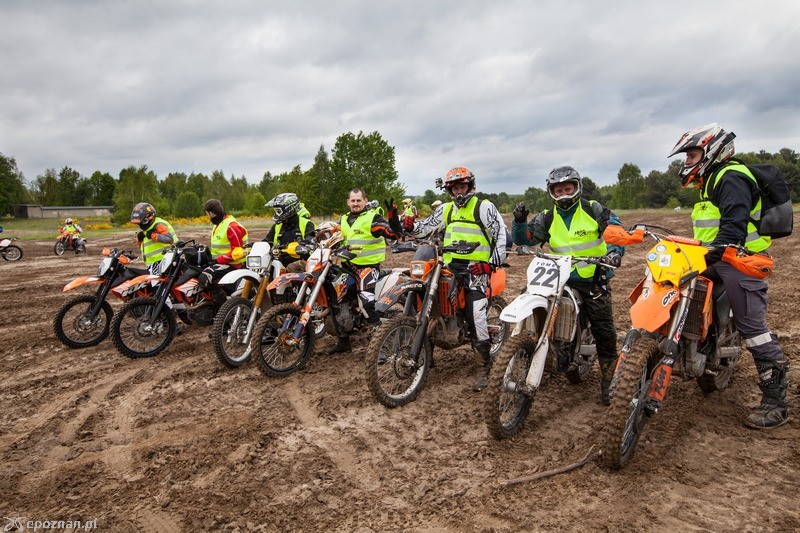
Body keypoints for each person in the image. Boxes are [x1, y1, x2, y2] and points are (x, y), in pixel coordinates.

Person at [669, 123, 789, 429]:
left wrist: (716, 249)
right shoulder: (709, 182)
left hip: (740, 260)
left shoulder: (730, 176)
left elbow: (734, 222)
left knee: (753, 327)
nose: (687, 162)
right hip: (716, 258)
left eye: (692, 155)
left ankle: (776, 402)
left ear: (712, 151)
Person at [512, 166, 624, 404]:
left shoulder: (593, 209)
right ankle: (541, 351)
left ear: (577, 187)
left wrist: (614, 252)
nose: (563, 193)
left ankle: (608, 379)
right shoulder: (547, 216)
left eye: (567, 188)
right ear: (551, 191)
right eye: (558, 189)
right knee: (533, 303)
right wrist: (520, 223)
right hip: (557, 277)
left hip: (591, 278)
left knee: (603, 328)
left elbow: (615, 231)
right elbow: (527, 239)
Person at [404, 167, 507, 391]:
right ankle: (425, 352)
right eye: (454, 187)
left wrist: (491, 263)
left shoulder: (483, 207)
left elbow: (500, 234)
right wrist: (409, 224)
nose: (459, 191)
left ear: (470, 186)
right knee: (427, 300)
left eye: (462, 186)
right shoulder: (446, 210)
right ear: (449, 190)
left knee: (476, 313)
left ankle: (483, 366)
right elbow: (424, 228)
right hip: (449, 266)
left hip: (477, 269)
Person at [325, 188, 403, 355]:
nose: (355, 203)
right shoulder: (344, 219)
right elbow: (338, 237)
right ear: (348, 202)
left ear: (365, 201)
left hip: (368, 267)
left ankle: (381, 347)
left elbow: (392, 233)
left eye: (358, 200)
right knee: (336, 298)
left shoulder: (372, 218)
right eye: (352, 201)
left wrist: (393, 218)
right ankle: (343, 341)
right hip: (347, 267)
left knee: (366, 301)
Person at [198, 199, 249, 303]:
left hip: (234, 264)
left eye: (208, 214)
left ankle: (224, 307)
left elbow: (237, 252)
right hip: (222, 262)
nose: (209, 217)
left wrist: (217, 260)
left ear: (211, 213)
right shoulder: (219, 224)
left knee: (205, 278)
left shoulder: (231, 226)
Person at [263, 193, 316, 273]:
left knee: (292, 267)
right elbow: (267, 240)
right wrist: (252, 246)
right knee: (263, 268)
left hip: (303, 263)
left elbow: (311, 238)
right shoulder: (277, 226)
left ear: (289, 209)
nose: (276, 214)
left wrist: (302, 245)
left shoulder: (307, 224)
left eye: (278, 211)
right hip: (279, 262)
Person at [131, 202, 178, 273]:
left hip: (163, 261)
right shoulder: (148, 227)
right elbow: (148, 245)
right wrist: (139, 241)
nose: (140, 225)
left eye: (141, 223)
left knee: (158, 283)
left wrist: (153, 235)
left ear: (148, 218)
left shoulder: (158, 225)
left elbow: (169, 239)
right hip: (153, 262)